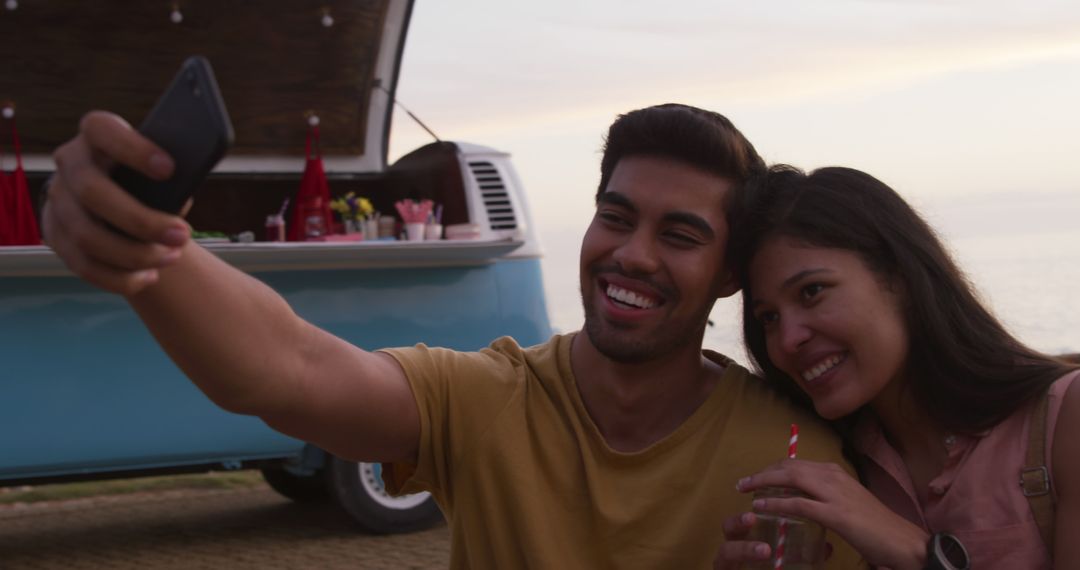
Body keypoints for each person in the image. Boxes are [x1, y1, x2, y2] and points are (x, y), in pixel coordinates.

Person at [42, 104, 863, 568]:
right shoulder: (489, 398)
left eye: (679, 236)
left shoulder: (792, 452)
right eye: (615, 217)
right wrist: (146, 247)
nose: (632, 254)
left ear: (729, 274)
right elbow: (285, 369)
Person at [717, 165, 1080, 569]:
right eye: (769, 318)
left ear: (899, 276)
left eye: (812, 292)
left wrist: (921, 556)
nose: (787, 340)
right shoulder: (836, 462)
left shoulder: (1062, 420)